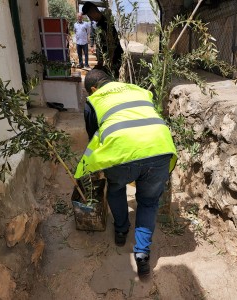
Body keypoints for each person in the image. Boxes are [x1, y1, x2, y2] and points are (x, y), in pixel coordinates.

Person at [74, 69, 177, 277]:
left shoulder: (94, 100)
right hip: (160, 149)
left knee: (116, 187)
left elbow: (94, 137)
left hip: (121, 152)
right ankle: (142, 255)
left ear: (93, 89)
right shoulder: (138, 90)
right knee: (148, 202)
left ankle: (121, 230)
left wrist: (94, 166)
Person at [81, 2, 124, 77]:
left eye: (89, 15)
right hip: (112, 59)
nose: (90, 18)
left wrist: (102, 65)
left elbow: (110, 45)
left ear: (93, 11)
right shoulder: (101, 23)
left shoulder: (105, 24)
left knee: (112, 79)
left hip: (115, 58)